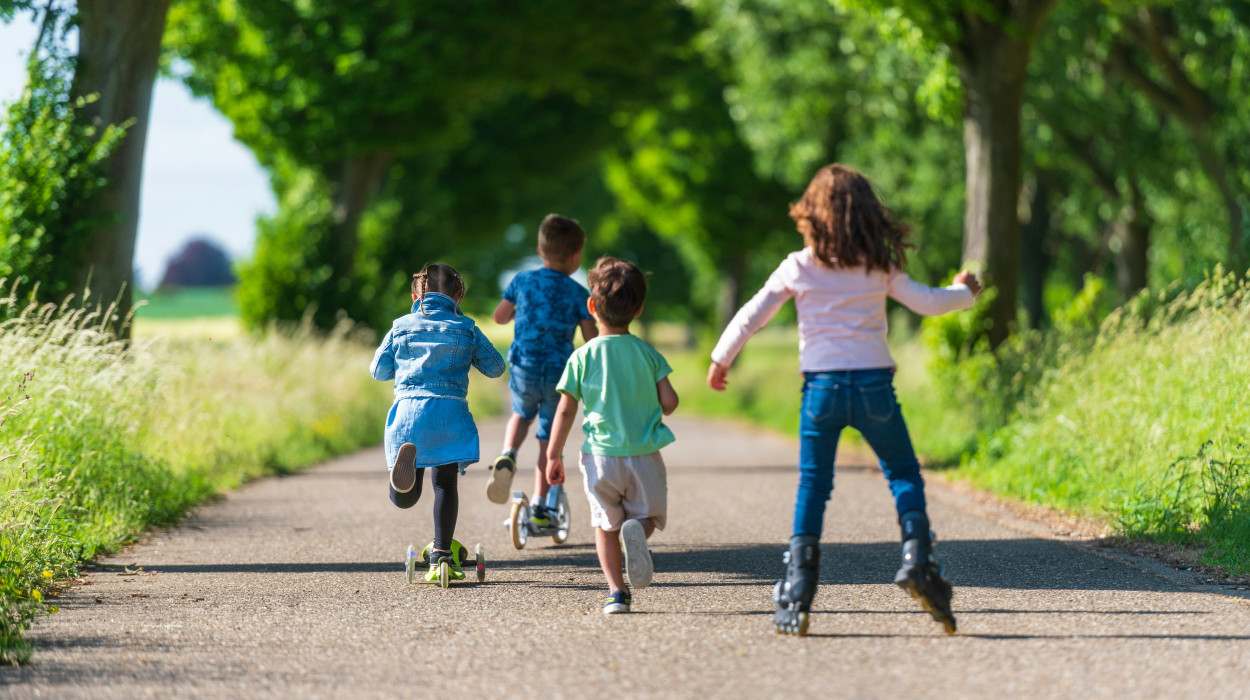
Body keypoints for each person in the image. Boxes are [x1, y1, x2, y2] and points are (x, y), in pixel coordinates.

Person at [707, 164, 982, 636]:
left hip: (822, 390)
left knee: (814, 484)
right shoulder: (878, 265)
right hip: (875, 386)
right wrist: (966, 292)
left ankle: (799, 585)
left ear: (811, 214)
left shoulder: (798, 265)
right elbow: (930, 302)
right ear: (866, 214)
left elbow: (754, 313)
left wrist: (721, 358)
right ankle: (918, 557)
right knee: (902, 473)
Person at [545, 257, 678, 615]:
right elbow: (669, 402)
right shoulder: (648, 353)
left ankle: (616, 593)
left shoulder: (581, 356)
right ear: (639, 309)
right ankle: (637, 530)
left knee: (605, 527)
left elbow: (565, 410)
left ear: (592, 306)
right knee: (646, 516)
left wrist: (552, 454)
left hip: (599, 457)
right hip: (644, 454)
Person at [370, 263, 505, 581]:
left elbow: (378, 370)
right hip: (448, 414)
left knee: (408, 496)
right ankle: (442, 553)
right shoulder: (466, 328)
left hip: (408, 414)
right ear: (458, 296)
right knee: (445, 484)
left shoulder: (401, 325)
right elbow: (496, 367)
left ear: (416, 294)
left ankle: (400, 487)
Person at [485, 214, 598, 525]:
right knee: (549, 441)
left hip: (525, 366)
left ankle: (508, 453)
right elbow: (592, 340)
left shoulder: (521, 281)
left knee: (521, 413)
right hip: (560, 375)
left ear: (540, 250)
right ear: (576, 257)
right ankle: (540, 507)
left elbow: (499, 317)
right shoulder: (578, 294)